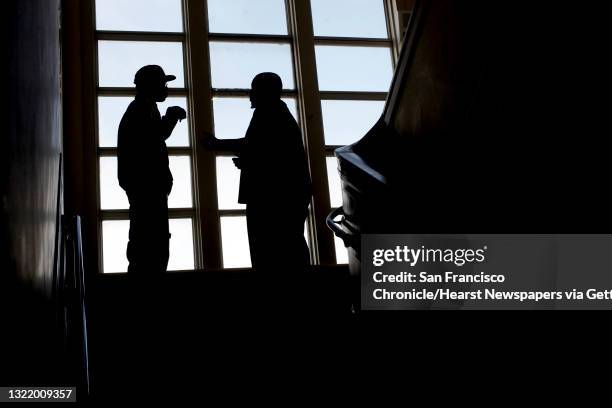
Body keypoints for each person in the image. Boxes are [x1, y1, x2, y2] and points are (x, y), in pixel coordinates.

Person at [204, 72, 312, 273]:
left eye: (254, 89)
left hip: (272, 198)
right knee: (289, 248)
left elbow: (255, 146)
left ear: (265, 92)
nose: (250, 94)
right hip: (286, 195)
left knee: (270, 251)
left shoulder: (268, 113)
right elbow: (270, 152)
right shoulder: (279, 114)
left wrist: (217, 144)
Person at [117, 65, 186, 278]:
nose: (166, 88)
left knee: (149, 244)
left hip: (147, 189)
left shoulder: (143, 107)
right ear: (150, 86)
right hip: (147, 190)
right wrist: (172, 116)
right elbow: (156, 135)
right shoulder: (141, 109)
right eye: (163, 84)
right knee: (150, 246)